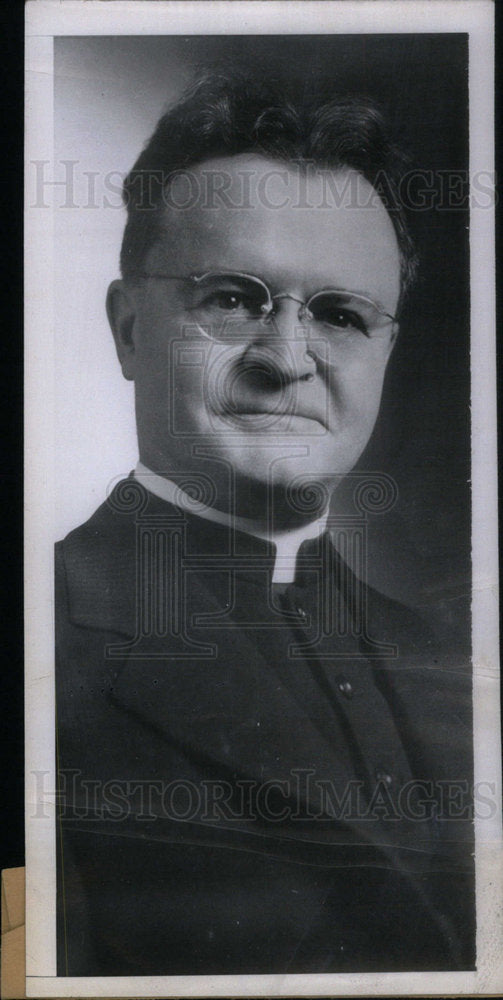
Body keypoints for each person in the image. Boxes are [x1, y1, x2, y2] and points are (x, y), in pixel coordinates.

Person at [55, 72, 474, 976]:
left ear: (385, 350)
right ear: (130, 330)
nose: (287, 359)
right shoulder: (39, 646)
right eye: (234, 299)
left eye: (339, 314)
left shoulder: (453, 660)